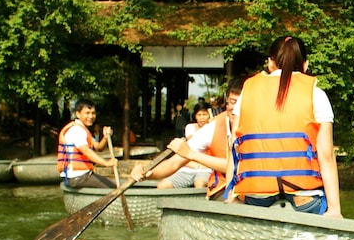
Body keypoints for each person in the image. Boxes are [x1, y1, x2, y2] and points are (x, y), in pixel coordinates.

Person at [227, 36, 342, 217]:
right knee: (322, 203)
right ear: (305, 65)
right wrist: (335, 210)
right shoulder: (316, 94)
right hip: (303, 198)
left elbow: (234, 147)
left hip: (257, 196)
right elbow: (326, 155)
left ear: (270, 63)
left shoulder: (246, 93)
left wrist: (231, 196)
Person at [131, 77, 246, 198]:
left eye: (241, 103)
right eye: (232, 102)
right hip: (223, 191)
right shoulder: (214, 127)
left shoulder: (261, 127)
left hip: (252, 192)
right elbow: (174, 162)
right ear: (226, 102)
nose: (236, 109)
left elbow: (239, 165)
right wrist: (148, 172)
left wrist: (192, 154)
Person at [57, 98, 118, 188]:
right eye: (87, 113)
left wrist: (105, 137)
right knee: (113, 186)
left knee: (115, 184)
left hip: (84, 175)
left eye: (93, 113)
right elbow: (86, 151)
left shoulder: (84, 130)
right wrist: (106, 163)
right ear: (78, 114)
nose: (91, 116)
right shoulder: (76, 130)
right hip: (77, 177)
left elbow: (98, 147)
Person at [156, 103, 214, 189]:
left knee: (199, 183)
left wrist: (212, 124)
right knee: (162, 185)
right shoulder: (190, 127)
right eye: (199, 115)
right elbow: (195, 141)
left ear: (209, 115)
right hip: (188, 167)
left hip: (205, 169)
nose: (202, 118)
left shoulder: (214, 128)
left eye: (205, 114)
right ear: (195, 116)